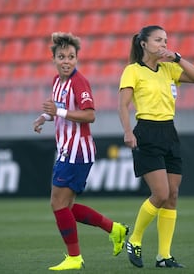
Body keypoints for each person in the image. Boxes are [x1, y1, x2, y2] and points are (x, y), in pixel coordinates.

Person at [33, 32, 129, 271]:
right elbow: (60, 108)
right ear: (54, 58)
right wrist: (45, 117)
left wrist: (58, 113)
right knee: (65, 206)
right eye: (62, 56)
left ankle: (74, 257)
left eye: (71, 57)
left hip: (77, 152)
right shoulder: (57, 81)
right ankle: (114, 229)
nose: (66, 60)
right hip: (65, 150)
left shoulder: (79, 82)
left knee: (58, 204)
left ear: (77, 59)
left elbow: (90, 115)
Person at [118, 25, 194, 268]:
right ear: (143, 44)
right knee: (161, 194)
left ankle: (163, 256)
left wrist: (177, 57)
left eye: (165, 40)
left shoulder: (169, 68)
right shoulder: (133, 71)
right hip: (146, 132)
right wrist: (127, 131)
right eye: (158, 40)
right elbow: (123, 105)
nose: (163, 44)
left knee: (173, 196)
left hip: (169, 132)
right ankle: (134, 239)